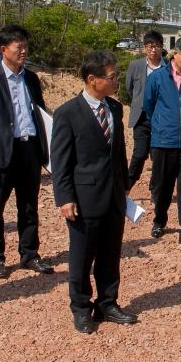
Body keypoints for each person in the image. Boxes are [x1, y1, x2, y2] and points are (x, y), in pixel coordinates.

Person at [51, 50, 136, 334]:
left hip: (113, 196)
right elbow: (61, 161)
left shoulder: (114, 108)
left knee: (111, 254)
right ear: (92, 79)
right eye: (111, 77)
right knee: (82, 255)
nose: (116, 82)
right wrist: (65, 198)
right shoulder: (67, 113)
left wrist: (124, 186)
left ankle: (107, 303)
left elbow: (119, 151)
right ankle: (81, 307)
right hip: (84, 197)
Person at [0, 25, 52, 279]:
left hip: (29, 148)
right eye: (19, 47)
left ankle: (30, 254)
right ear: (3, 49)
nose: (23, 51)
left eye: (26, 46)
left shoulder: (30, 78)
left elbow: (39, 112)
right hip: (1, 152)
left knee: (28, 206)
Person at [141, 36, 181, 244]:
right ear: (175, 54)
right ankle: (159, 220)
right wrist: (163, 125)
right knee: (162, 186)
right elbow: (149, 107)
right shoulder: (157, 78)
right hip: (163, 142)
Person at [125, 30, 167, 192]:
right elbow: (130, 89)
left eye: (156, 46)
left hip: (161, 118)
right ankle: (127, 185)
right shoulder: (135, 66)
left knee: (157, 156)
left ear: (162, 47)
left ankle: (155, 189)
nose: (153, 50)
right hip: (141, 117)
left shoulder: (167, 67)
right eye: (150, 46)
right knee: (140, 152)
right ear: (144, 48)